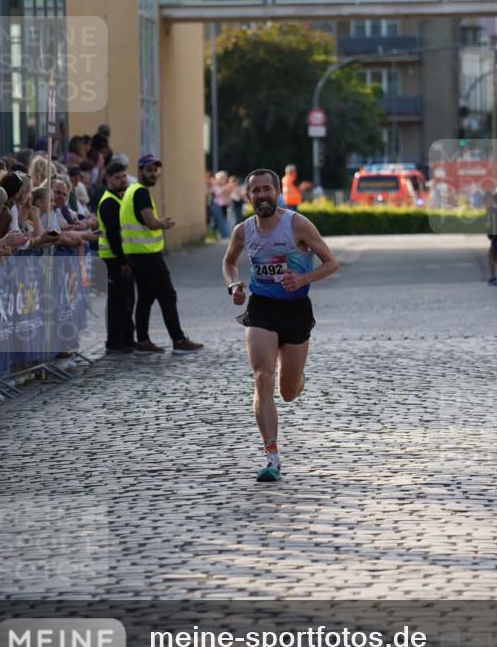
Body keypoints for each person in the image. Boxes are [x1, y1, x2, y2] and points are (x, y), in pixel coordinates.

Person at [222, 168, 339, 482]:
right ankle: (271, 455)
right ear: (248, 197)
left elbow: (331, 262)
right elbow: (229, 261)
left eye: (266, 189)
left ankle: (298, 377)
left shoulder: (297, 224)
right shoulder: (243, 231)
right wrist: (234, 286)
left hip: (296, 309)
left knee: (287, 391)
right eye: (255, 191)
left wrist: (302, 278)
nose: (261, 195)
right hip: (261, 308)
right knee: (262, 377)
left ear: (277, 192)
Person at [119, 153, 203, 354]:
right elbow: (149, 222)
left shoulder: (131, 191)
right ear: (139, 171)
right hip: (147, 256)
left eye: (156, 170)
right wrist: (163, 224)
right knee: (167, 295)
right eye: (149, 170)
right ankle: (179, 339)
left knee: (146, 298)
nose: (154, 174)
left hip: (136, 255)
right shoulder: (140, 193)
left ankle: (143, 341)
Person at [97, 160, 136, 354]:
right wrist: (123, 262)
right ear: (108, 179)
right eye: (117, 177)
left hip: (120, 258)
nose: (122, 180)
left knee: (127, 299)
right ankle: (114, 340)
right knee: (117, 301)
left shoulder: (119, 198)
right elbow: (113, 235)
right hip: (113, 259)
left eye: (124, 176)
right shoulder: (109, 202)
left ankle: (128, 338)